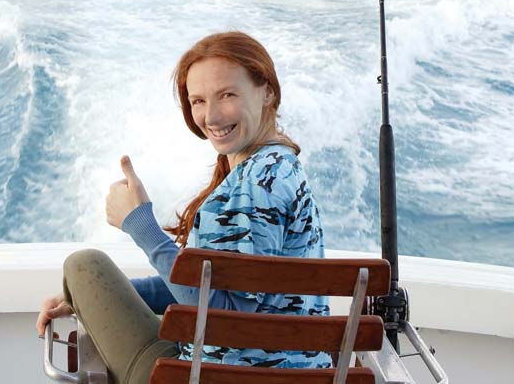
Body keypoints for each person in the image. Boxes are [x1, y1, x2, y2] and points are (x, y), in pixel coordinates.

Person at [36, 31, 331, 384]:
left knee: (84, 265)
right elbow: (213, 288)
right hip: (291, 371)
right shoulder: (279, 166)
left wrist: (140, 225)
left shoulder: (253, 186)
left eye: (227, 95)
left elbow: (225, 318)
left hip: (213, 375)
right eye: (198, 101)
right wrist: (100, 300)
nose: (211, 116)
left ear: (267, 91)